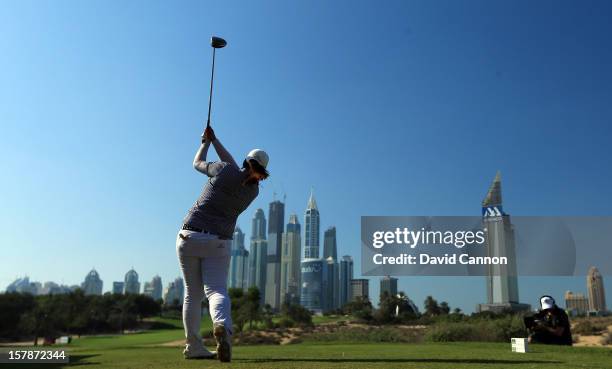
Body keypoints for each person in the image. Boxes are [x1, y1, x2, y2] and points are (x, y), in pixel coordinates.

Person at [176, 125, 269, 361]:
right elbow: (234, 169)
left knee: (192, 294)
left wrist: (205, 143)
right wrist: (216, 140)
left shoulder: (224, 171)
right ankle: (222, 328)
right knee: (216, 290)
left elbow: (197, 163)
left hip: (190, 236)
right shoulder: (253, 191)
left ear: (245, 160)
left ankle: (194, 346)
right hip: (219, 243)